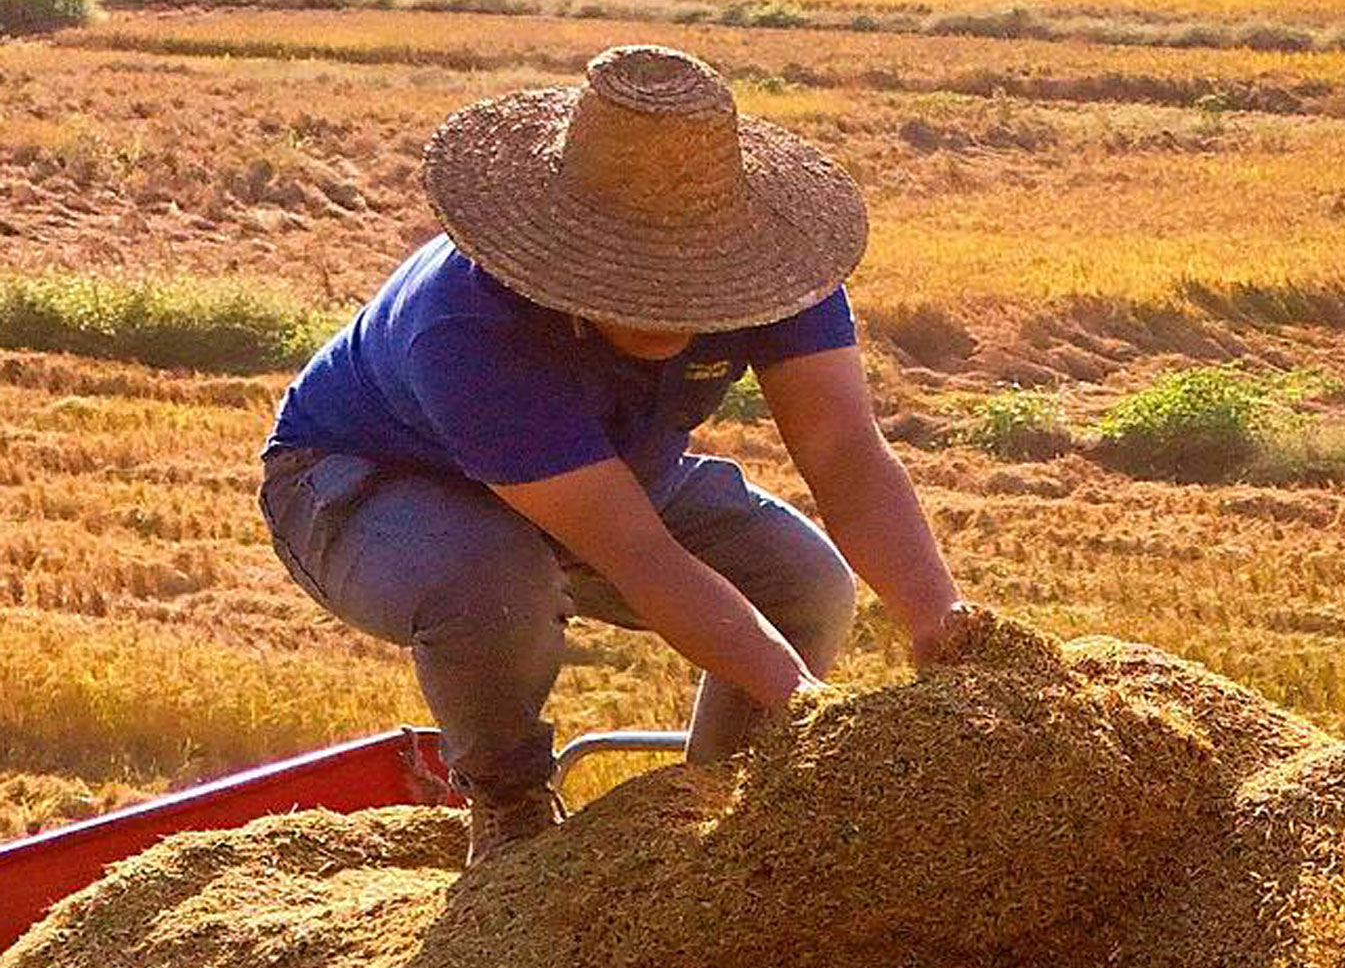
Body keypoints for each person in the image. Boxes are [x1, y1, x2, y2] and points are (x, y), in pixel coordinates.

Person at [262, 43, 979, 863]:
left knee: (805, 582)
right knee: (498, 587)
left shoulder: (776, 265)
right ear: (567, 259)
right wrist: (809, 709)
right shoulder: (466, 326)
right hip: (372, 482)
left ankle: (728, 822)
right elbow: (637, 552)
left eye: (694, 284)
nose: (669, 309)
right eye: (638, 284)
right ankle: (510, 810)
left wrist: (943, 624)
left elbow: (844, 451)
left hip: (603, 466)